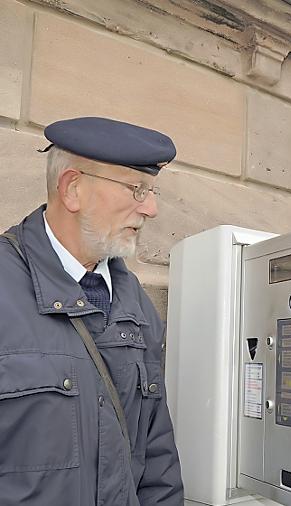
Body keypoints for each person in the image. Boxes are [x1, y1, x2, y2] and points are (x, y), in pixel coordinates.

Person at [0, 117, 184, 505]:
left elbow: (157, 459)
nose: (151, 208)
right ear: (72, 189)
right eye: (137, 189)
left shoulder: (135, 304)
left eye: (152, 191)